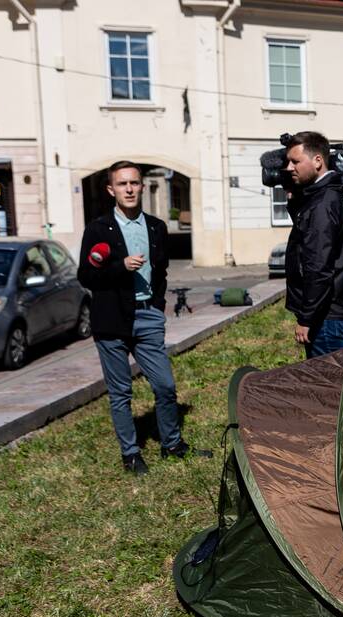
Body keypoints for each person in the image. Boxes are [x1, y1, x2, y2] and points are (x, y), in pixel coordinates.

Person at [77, 161, 211, 475]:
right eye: (122, 184)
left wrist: (158, 303)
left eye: (134, 183)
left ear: (141, 186)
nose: (129, 189)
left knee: (165, 385)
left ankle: (172, 445)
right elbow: (86, 276)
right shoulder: (98, 229)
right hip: (111, 319)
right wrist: (119, 267)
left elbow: (161, 270)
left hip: (148, 315)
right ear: (111, 190)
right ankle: (131, 454)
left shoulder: (156, 227)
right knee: (121, 391)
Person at [284, 131, 343, 358]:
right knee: (332, 388)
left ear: (318, 161)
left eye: (295, 161)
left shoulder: (322, 205)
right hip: (330, 315)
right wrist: (294, 203)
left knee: (328, 390)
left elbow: (318, 266)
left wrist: (307, 318)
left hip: (325, 319)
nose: (288, 168)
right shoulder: (326, 196)